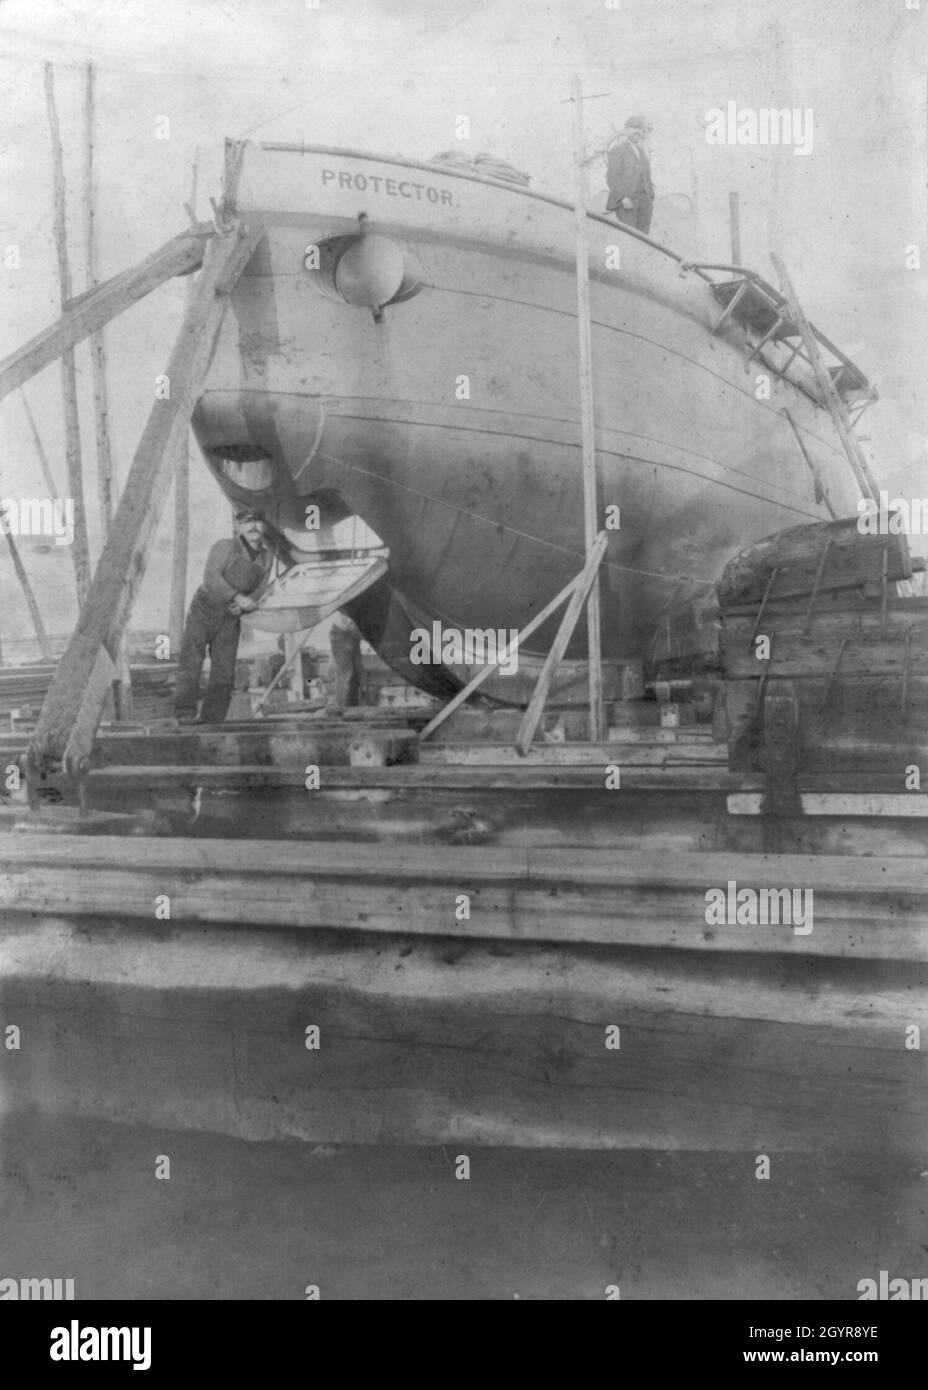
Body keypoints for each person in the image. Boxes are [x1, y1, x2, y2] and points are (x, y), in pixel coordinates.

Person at [173, 507, 274, 724]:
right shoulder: (224, 547)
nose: (253, 526)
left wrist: (246, 605)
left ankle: (213, 720)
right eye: (247, 522)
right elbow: (211, 578)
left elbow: (261, 588)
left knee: (224, 671)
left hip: (230, 618)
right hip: (204, 610)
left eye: (257, 521)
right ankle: (184, 714)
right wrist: (238, 598)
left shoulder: (267, 558)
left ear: (263, 526)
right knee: (191, 661)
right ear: (239, 526)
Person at [605, 116, 654, 235]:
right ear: (626, 130)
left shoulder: (642, 153)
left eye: (639, 129)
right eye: (633, 128)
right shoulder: (618, 150)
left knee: (644, 239)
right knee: (629, 237)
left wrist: (650, 197)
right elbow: (613, 177)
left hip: (645, 202)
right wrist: (623, 198)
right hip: (628, 202)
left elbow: (646, 177)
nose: (636, 131)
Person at [328, 610, 363, 710]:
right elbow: (351, 624)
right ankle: (342, 709)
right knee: (345, 674)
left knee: (356, 674)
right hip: (341, 633)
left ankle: (352, 710)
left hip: (352, 634)